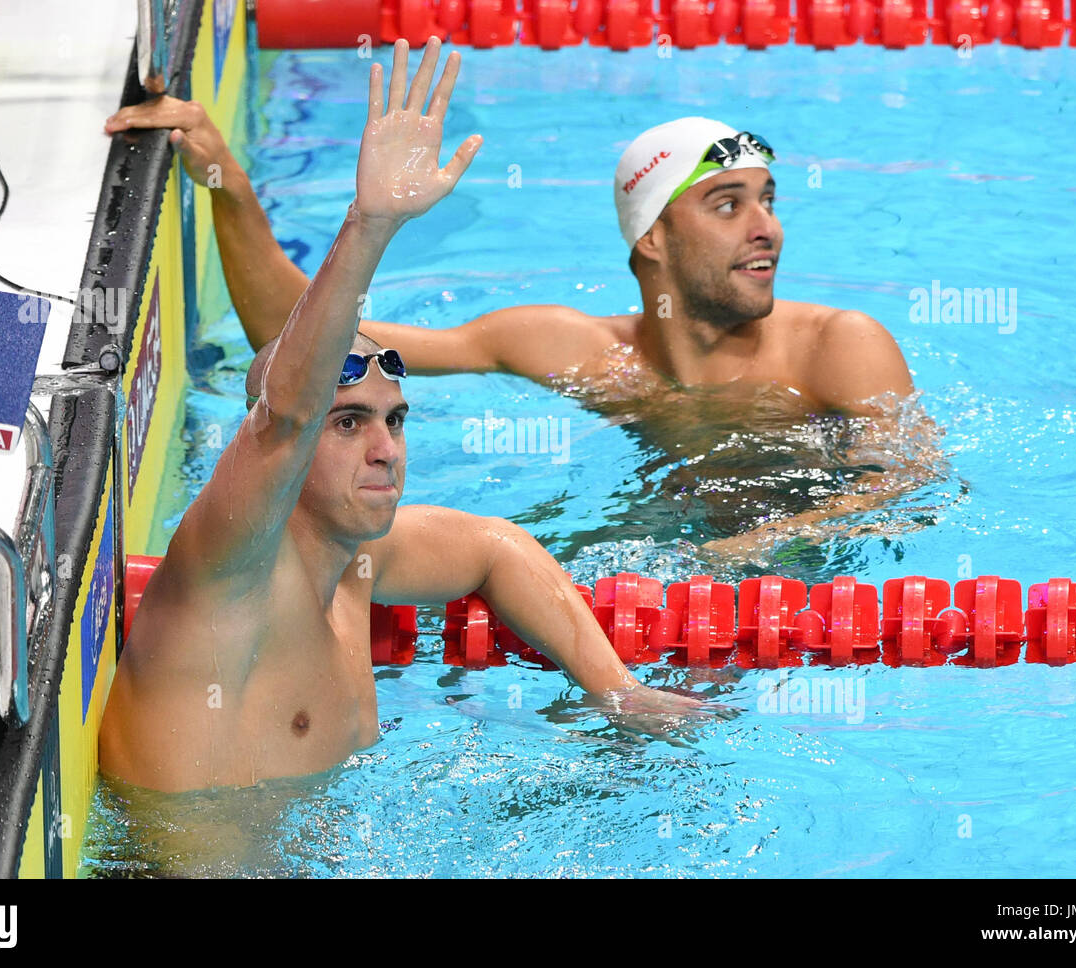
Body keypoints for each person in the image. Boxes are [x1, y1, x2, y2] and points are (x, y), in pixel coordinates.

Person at [99, 38, 699, 795]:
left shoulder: (355, 561)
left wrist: (615, 691)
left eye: (395, 420)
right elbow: (284, 415)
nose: (386, 449)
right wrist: (369, 224)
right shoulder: (233, 570)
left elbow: (495, 547)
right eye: (348, 423)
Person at [104, 66, 935, 560]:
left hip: (805, 589)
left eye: (768, 201)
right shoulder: (573, 351)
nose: (767, 229)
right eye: (727, 205)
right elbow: (302, 340)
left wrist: (759, 548)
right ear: (652, 242)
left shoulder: (838, 347)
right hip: (664, 531)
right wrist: (230, 188)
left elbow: (912, 485)